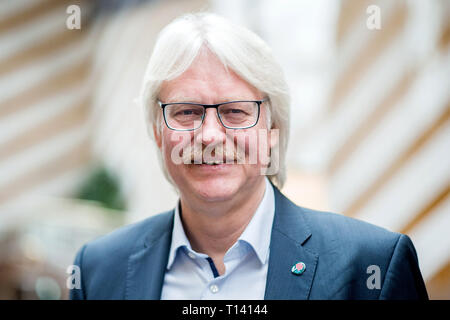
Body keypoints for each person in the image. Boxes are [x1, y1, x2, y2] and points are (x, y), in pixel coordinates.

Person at [70, 12, 428, 300]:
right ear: (157, 131)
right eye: (186, 112)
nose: (209, 135)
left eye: (236, 111)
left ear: (273, 132)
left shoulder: (370, 266)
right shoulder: (99, 270)